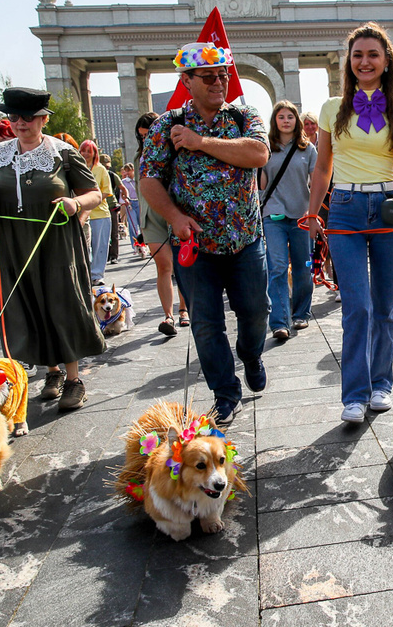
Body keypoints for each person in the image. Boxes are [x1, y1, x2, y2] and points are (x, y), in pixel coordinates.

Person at [140, 43, 271, 427]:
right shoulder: (167, 125)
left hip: (245, 240)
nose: (219, 82)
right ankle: (226, 393)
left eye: (223, 74)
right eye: (209, 76)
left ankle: (250, 354)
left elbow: (258, 154)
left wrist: (201, 142)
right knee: (206, 323)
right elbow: (149, 180)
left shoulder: (243, 115)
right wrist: (175, 217)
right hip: (195, 246)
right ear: (187, 81)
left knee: (256, 311)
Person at [305, 22, 393, 423]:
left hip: (390, 206)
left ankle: (382, 385)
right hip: (344, 207)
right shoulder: (330, 108)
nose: (365, 61)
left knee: (385, 306)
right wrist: (313, 210)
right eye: (358, 55)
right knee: (356, 306)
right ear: (349, 62)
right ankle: (353, 395)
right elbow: (322, 166)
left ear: (387, 61)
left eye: (373, 54)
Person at [0, 87, 106, 410]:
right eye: (13, 116)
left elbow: (94, 194)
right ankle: (50, 372)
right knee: (28, 305)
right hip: (13, 243)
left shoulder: (63, 152)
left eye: (27, 117)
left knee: (61, 304)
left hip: (57, 243)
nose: (19, 123)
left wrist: (74, 202)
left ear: (42, 119)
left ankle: (74, 378)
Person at [261, 100, 317, 341]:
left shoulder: (308, 149)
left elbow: (317, 182)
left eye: (290, 117)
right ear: (275, 121)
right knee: (278, 268)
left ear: (297, 121)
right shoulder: (265, 147)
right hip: (273, 214)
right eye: (281, 117)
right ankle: (279, 322)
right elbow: (261, 185)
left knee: (304, 268)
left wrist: (314, 214)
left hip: (301, 216)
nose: (285, 120)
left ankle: (301, 312)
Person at [134, 111, 190, 333]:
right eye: (142, 136)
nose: (147, 139)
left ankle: (184, 309)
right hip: (151, 216)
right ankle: (168, 316)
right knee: (163, 266)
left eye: (150, 134)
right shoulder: (139, 157)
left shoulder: (177, 152)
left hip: (176, 212)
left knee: (181, 265)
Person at [78, 140, 113, 285]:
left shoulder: (100, 169)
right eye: (83, 150)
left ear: (94, 153)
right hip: (81, 214)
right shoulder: (76, 168)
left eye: (89, 151)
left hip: (100, 213)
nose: (85, 154)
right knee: (84, 247)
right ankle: (85, 274)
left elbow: (106, 191)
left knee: (100, 245)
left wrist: (92, 201)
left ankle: (97, 274)